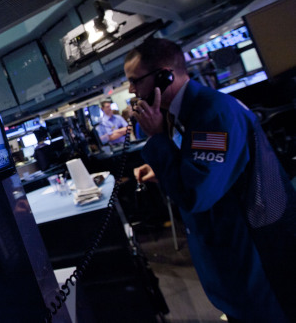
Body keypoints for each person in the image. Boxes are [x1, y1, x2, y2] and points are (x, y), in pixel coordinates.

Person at [125, 37, 296, 322]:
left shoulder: (212, 114)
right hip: (228, 250)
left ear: (165, 75)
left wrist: (157, 138)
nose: (131, 90)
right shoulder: (184, 113)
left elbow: (197, 193)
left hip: (253, 251)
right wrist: (164, 171)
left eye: (135, 80)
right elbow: (203, 171)